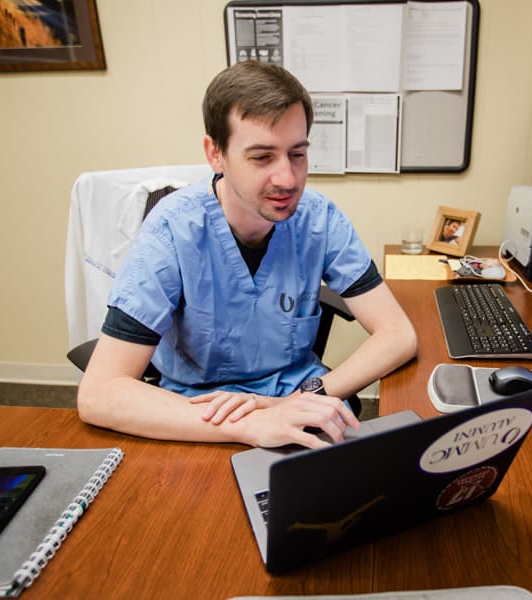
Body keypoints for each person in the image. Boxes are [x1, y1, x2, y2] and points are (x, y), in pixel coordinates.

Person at [77, 61, 418, 450]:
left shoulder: (319, 220)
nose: (288, 179)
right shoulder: (172, 232)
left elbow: (398, 334)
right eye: (261, 157)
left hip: (297, 400)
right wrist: (249, 425)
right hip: (198, 415)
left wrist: (303, 396)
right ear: (215, 153)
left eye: (297, 154)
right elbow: (98, 393)